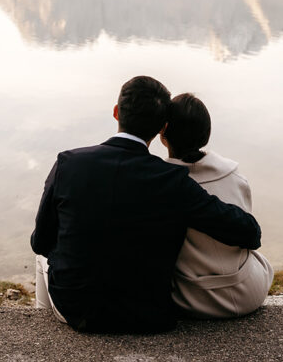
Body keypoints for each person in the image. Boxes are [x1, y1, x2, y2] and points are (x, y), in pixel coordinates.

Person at [31, 76, 262, 333]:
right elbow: (247, 232)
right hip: (147, 316)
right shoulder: (171, 179)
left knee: (41, 257)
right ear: (161, 127)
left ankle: (44, 330)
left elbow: (40, 242)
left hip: (76, 311)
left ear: (117, 112)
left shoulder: (69, 163)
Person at [161, 93, 274, 318]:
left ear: (163, 132)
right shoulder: (233, 175)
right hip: (250, 291)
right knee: (258, 260)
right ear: (206, 132)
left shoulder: (162, 185)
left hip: (192, 298)